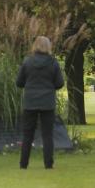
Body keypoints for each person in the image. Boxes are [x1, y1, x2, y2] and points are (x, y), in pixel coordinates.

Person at [16, 36, 65, 169]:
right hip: (47, 102)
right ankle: (48, 164)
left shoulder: (27, 62)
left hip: (30, 102)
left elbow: (19, 82)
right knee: (47, 134)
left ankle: (23, 164)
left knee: (27, 134)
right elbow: (60, 83)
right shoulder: (53, 62)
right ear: (48, 46)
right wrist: (49, 87)